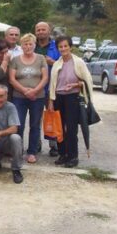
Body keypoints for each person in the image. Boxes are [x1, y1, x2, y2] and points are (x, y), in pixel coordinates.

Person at [48, 35, 93, 168]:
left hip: (72, 98)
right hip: (59, 97)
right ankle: (63, 154)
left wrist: (75, 85)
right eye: (60, 47)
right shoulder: (57, 63)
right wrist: (51, 101)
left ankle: (73, 156)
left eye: (65, 46)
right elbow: (53, 84)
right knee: (59, 128)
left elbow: (87, 80)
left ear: (70, 47)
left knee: (71, 128)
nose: (63, 49)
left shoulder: (78, 62)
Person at [8, 33, 48, 164]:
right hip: (19, 97)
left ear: (34, 45)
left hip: (38, 97)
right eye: (25, 44)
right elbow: (12, 79)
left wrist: (35, 91)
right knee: (19, 124)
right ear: (22, 46)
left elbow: (45, 78)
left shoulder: (41, 58)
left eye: (31, 44)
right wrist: (25, 90)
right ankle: (18, 151)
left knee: (35, 125)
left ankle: (32, 152)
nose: (28, 46)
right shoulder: (15, 60)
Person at [35, 21, 61, 157]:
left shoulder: (56, 46)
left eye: (43, 29)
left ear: (49, 31)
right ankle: (36, 143)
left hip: (52, 87)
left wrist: (54, 63)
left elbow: (64, 64)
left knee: (52, 115)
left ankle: (54, 145)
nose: (41, 32)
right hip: (36, 87)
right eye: (38, 30)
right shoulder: (32, 46)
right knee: (36, 118)